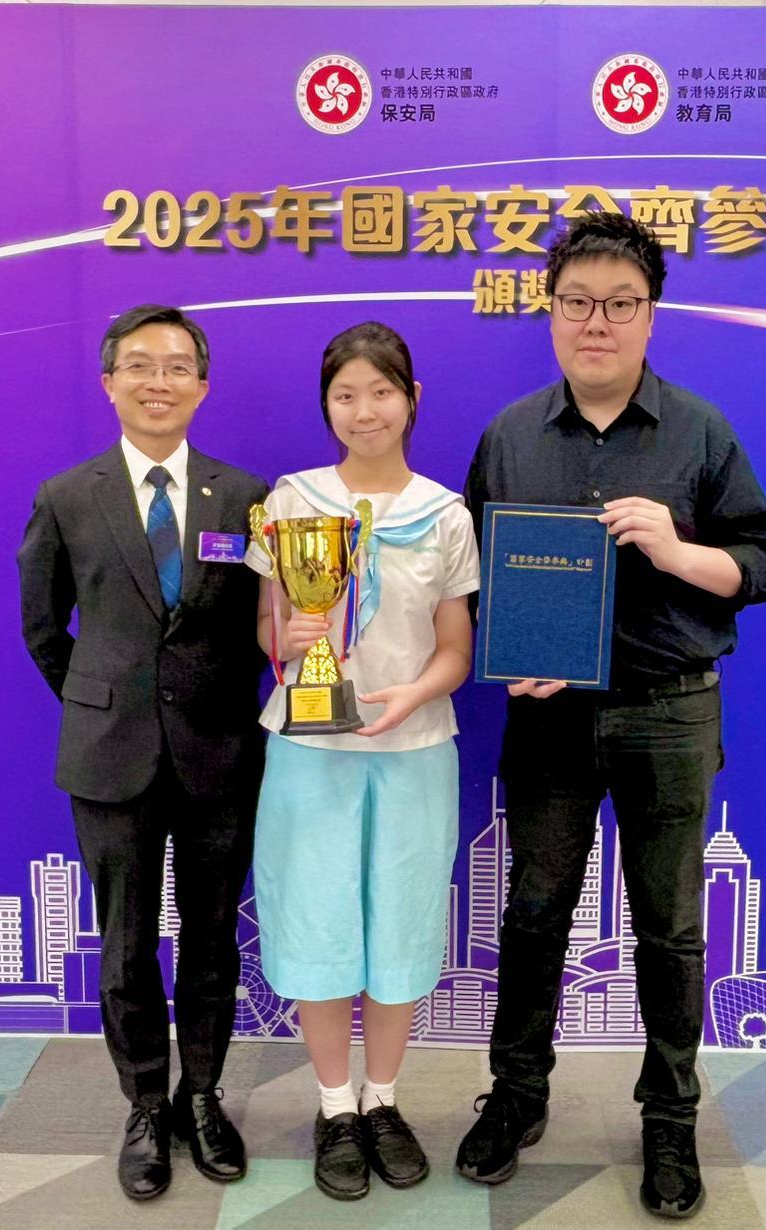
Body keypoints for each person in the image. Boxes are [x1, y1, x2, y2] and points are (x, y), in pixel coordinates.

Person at [457, 214, 766, 1220]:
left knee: (671, 930)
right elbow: (471, 575)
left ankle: (670, 1119)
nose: (595, 322)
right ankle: (516, 1096)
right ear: (549, 310)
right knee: (532, 915)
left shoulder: (700, 431)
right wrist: (506, 648)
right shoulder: (510, 435)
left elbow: (765, 565)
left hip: (668, 713)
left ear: (651, 316)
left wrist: (678, 550)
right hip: (549, 722)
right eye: (576, 302)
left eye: (619, 304)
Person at [18, 304, 267, 1201]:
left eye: (176, 367)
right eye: (139, 365)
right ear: (109, 382)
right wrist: (102, 701)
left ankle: (202, 1097)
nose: (158, 381)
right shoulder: (67, 495)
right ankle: (145, 1106)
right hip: (108, 753)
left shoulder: (245, 496)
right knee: (125, 943)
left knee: (211, 937)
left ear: (202, 386)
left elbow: (263, 625)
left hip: (218, 750)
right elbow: (42, 628)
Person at [244, 322, 479, 1201]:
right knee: (317, 920)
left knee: (401, 922)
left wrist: (415, 694)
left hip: (414, 750)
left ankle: (383, 1100)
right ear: (327, 405)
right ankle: (334, 1106)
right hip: (310, 750)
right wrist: (289, 632)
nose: (364, 411)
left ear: (411, 400)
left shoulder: (446, 514)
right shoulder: (292, 502)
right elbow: (267, 629)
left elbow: (456, 648)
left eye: (381, 392)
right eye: (345, 395)